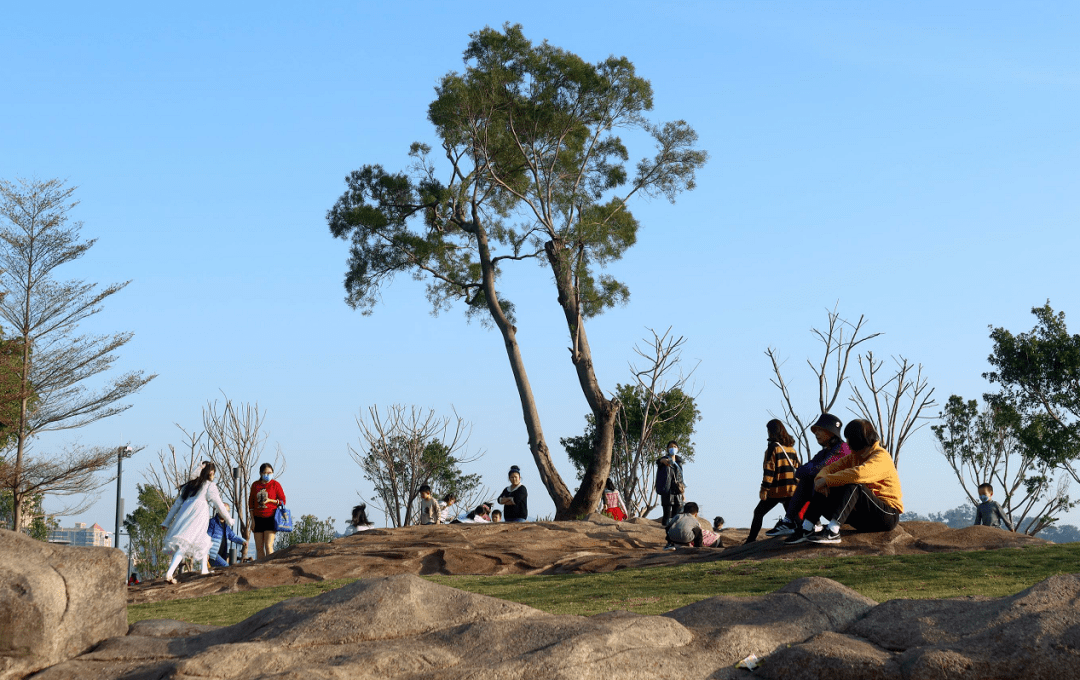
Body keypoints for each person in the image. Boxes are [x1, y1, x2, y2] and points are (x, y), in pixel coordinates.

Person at [789, 419, 904, 545]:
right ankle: (806, 528)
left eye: (848, 439)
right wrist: (819, 481)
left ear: (857, 439)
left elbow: (858, 474)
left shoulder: (881, 456)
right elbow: (827, 469)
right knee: (828, 486)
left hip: (886, 515)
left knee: (855, 485)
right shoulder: (854, 457)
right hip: (863, 518)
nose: (847, 443)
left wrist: (826, 480)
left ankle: (833, 531)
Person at [771, 413, 851, 540]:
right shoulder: (824, 452)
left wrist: (812, 470)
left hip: (844, 508)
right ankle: (789, 521)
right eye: (816, 430)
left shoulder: (843, 449)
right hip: (826, 502)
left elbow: (820, 469)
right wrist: (812, 469)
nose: (816, 433)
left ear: (831, 432)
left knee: (811, 479)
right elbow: (800, 471)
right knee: (807, 479)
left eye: (820, 430)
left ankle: (801, 522)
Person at [160, 462, 232, 584]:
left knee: (204, 540)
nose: (213, 476)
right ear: (210, 473)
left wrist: (166, 522)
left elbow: (176, 505)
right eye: (213, 473)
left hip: (185, 514)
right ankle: (169, 572)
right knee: (185, 545)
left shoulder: (190, 486)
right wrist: (229, 519)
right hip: (199, 515)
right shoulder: (209, 485)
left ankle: (204, 569)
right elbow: (219, 504)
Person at [745, 420, 800, 543]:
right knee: (793, 516)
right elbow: (798, 467)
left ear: (771, 432)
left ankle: (750, 540)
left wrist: (764, 489)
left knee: (758, 512)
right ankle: (801, 535)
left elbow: (769, 471)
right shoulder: (791, 449)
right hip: (791, 489)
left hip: (777, 489)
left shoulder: (772, 448)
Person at [249, 463, 285, 560]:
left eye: (270, 472)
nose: (268, 474)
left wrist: (270, 501)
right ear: (260, 473)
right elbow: (251, 504)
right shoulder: (255, 485)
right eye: (265, 473)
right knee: (259, 548)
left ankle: (270, 566)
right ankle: (260, 568)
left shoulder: (275, 485)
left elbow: (282, 501)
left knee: (268, 546)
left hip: (271, 518)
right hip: (257, 518)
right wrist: (252, 520)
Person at [206, 503, 247, 569]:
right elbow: (207, 537)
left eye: (228, 511)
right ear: (218, 510)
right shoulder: (212, 522)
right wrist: (207, 553)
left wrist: (243, 541)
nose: (226, 513)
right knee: (226, 567)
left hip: (222, 554)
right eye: (224, 510)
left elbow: (233, 536)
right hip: (213, 554)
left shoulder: (226, 526)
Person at [655, 441, 685, 525]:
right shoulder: (664, 460)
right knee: (667, 514)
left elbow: (681, 478)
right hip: (667, 490)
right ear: (667, 449)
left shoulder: (679, 462)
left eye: (675, 446)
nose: (673, 448)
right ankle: (664, 532)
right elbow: (658, 462)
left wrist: (683, 493)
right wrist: (662, 460)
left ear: (678, 449)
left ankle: (673, 533)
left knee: (676, 515)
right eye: (671, 447)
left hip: (677, 490)